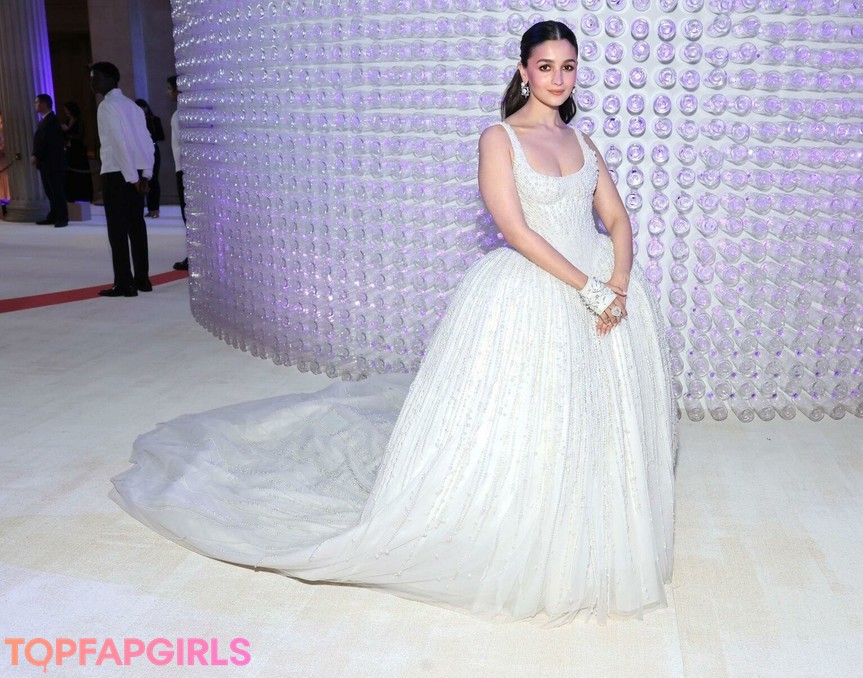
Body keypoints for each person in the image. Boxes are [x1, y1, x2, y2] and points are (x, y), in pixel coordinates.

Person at [110, 21, 675, 624]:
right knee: (530, 416)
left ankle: (589, 523)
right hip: (539, 287)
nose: (558, 78)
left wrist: (618, 282)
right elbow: (515, 230)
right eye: (545, 66)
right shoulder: (500, 138)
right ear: (523, 71)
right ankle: (528, 527)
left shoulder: (584, 142)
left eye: (568, 66)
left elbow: (617, 219)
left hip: (602, 288)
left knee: (596, 412)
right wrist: (588, 288)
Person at [90, 62, 156, 297]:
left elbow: (119, 143)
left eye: (96, 78)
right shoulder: (133, 106)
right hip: (135, 172)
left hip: (117, 173)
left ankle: (124, 283)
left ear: (111, 79)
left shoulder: (106, 106)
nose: (92, 83)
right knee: (136, 226)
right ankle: (142, 280)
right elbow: (146, 141)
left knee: (117, 231)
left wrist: (132, 177)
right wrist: (145, 174)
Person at [31, 94, 68, 227]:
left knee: (57, 191)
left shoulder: (52, 121)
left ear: (43, 104)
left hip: (53, 163)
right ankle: (54, 215)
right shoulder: (46, 120)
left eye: (37, 103)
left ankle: (62, 217)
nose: (35, 105)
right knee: (50, 191)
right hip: (47, 163)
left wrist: (36, 155)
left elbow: (47, 141)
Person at [167, 76, 189, 271]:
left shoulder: (179, 115)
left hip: (183, 169)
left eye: (170, 88)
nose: (168, 92)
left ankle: (193, 255)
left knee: (187, 214)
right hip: (186, 168)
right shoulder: (189, 112)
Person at [134, 98, 165, 218]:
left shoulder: (154, 120)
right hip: (139, 151)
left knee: (153, 179)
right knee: (140, 178)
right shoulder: (133, 122)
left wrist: (149, 136)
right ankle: (144, 208)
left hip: (152, 150)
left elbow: (161, 136)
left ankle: (154, 208)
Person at [60, 102, 93, 202]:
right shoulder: (68, 121)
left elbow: (79, 136)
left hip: (78, 152)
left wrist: (67, 131)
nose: (66, 112)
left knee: (80, 174)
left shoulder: (79, 122)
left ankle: (83, 195)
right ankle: (71, 196)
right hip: (70, 152)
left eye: (67, 110)